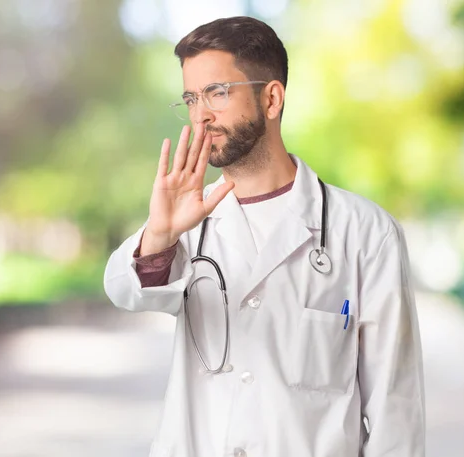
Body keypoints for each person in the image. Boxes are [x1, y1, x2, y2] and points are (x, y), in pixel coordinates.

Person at [104, 16, 425, 457]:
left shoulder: (366, 233)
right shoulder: (185, 223)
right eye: (191, 98)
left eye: (217, 92)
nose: (202, 115)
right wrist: (160, 233)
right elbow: (127, 292)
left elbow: (396, 409)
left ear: (271, 98)